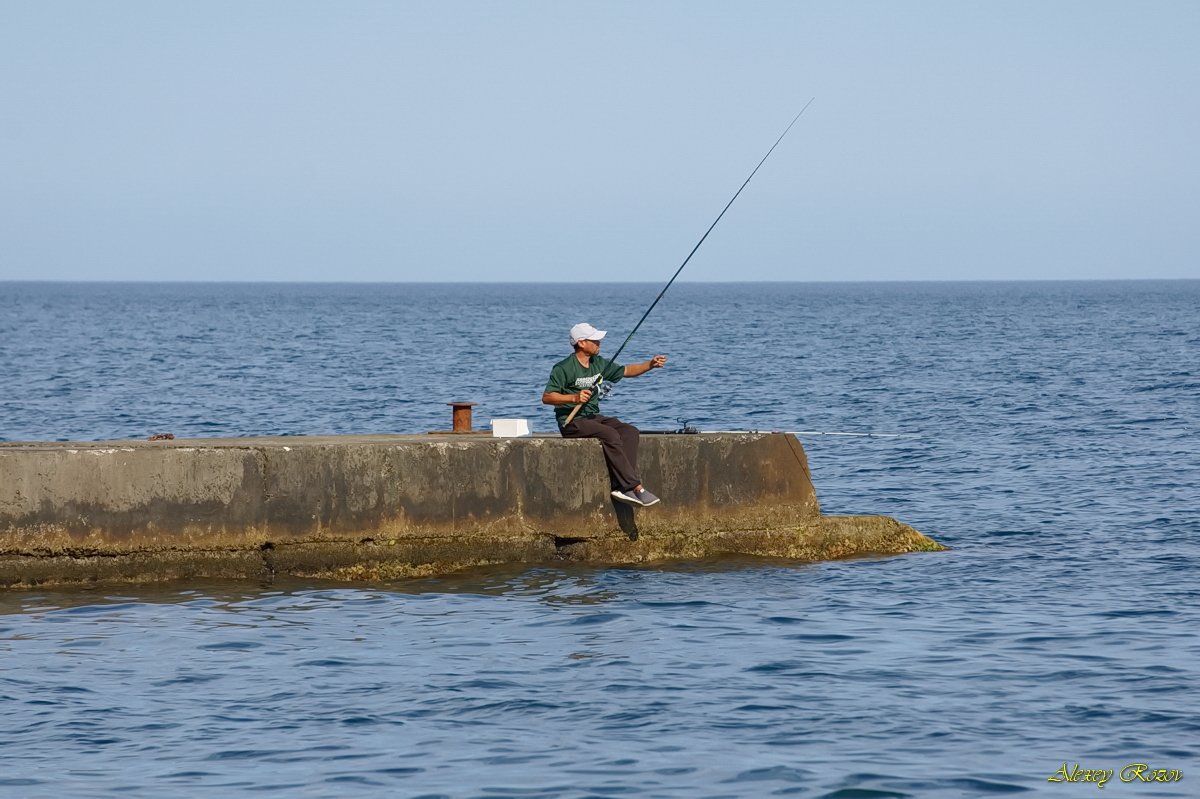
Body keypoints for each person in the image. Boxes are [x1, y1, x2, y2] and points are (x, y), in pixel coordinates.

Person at [542, 322, 668, 507]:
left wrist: (649, 365)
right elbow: (547, 397)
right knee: (609, 434)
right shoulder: (563, 368)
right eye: (595, 340)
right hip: (571, 421)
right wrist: (574, 397)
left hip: (593, 417)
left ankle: (620, 486)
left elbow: (626, 371)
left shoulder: (598, 363)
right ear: (582, 343)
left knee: (630, 431)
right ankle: (635, 487)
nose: (599, 343)